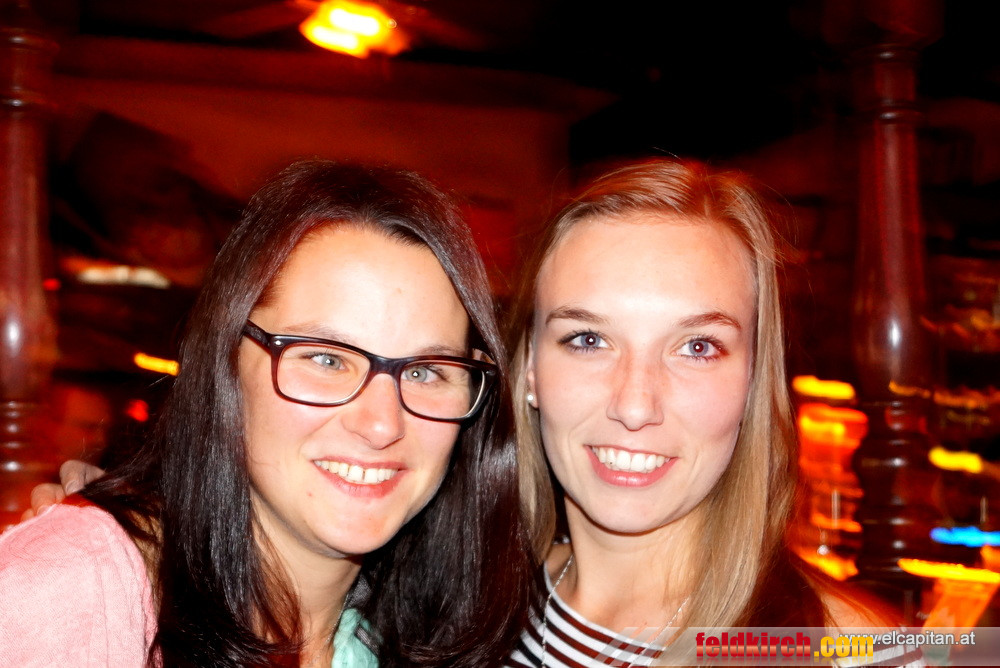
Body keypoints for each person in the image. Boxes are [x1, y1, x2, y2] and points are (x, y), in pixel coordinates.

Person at [1, 160, 534, 667]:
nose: (381, 425)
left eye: (425, 371)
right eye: (326, 359)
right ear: (226, 364)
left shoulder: (431, 624)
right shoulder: (72, 594)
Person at [503, 159, 922, 667]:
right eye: (588, 340)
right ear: (531, 369)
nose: (634, 406)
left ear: (753, 382)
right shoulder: (468, 608)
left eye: (697, 347)